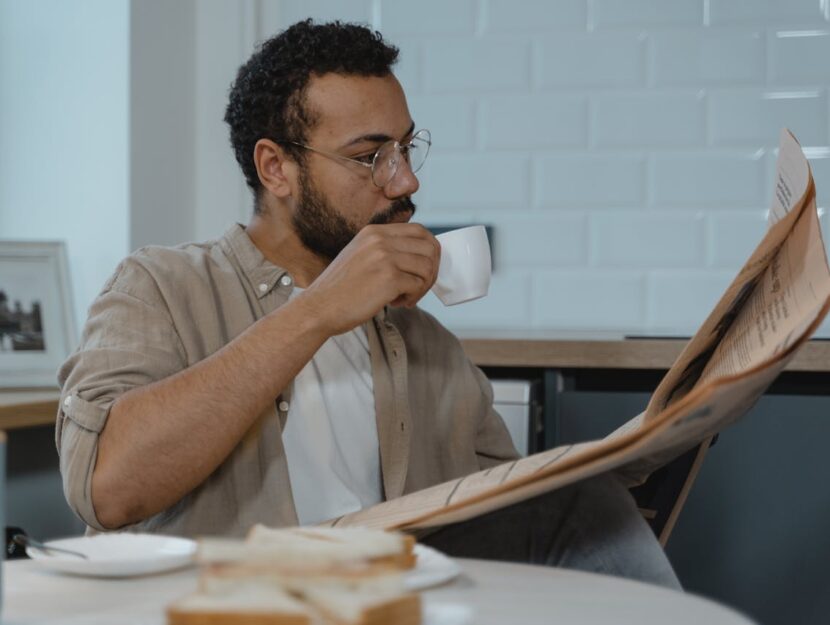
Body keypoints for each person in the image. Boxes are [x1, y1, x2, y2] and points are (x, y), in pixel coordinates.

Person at [56, 19, 680, 588]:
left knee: (591, 511)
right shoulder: (162, 285)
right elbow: (106, 490)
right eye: (368, 156)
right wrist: (316, 311)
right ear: (276, 168)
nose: (405, 181)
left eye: (407, 148)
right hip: (234, 605)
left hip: (392, 606)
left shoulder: (425, 342)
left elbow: (520, 518)